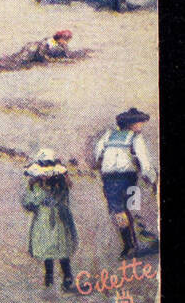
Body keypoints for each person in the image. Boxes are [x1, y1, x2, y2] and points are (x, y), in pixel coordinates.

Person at [92, 108, 157, 257]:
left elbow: (97, 154)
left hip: (109, 177)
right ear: (131, 124)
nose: (141, 125)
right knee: (131, 208)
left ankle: (129, 244)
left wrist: (102, 164)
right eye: (139, 122)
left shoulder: (108, 135)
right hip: (127, 177)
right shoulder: (135, 138)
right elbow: (145, 163)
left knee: (119, 211)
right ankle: (139, 242)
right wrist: (152, 179)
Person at [21, 149, 78, 291]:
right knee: (55, 249)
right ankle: (55, 276)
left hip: (51, 221)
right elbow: (27, 203)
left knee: (56, 249)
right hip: (55, 221)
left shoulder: (51, 186)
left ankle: (60, 277)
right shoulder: (61, 184)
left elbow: (28, 203)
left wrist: (37, 199)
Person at [0, 30, 73, 72]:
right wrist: (45, 60)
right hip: (33, 50)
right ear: (61, 38)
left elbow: (65, 54)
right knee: (18, 63)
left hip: (33, 48)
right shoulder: (51, 41)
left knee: (17, 58)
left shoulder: (58, 44)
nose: (67, 42)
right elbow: (43, 49)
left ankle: (0, 63)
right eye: (66, 39)